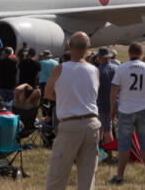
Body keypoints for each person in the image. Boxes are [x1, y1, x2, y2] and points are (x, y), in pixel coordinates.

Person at [44, 32, 100, 190]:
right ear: (88, 48)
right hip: (92, 124)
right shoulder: (95, 71)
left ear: (69, 45)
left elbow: (48, 93)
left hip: (71, 125)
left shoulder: (60, 69)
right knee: (87, 175)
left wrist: (65, 99)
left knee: (58, 174)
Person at [109, 42, 145, 184]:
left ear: (130, 53)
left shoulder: (122, 67)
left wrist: (112, 108)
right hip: (143, 109)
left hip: (125, 110)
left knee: (124, 144)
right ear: (141, 53)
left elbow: (114, 89)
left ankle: (119, 176)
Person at [97, 47, 117, 145]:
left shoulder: (98, 70)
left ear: (100, 57)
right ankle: (101, 146)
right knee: (103, 127)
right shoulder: (116, 68)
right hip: (116, 102)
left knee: (106, 130)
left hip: (103, 103)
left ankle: (109, 154)